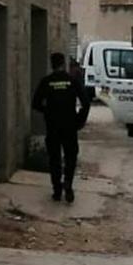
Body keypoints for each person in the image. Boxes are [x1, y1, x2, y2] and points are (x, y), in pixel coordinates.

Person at [32, 52, 91, 203]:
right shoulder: (72, 81)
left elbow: (36, 104)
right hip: (70, 126)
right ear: (63, 64)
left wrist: (48, 112)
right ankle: (68, 184)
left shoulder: (46, 81)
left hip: (53, 126)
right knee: (71, 156)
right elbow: (86, 102)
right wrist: (79, 120)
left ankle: (57, 190)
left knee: (54, 158)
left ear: (52, 65)